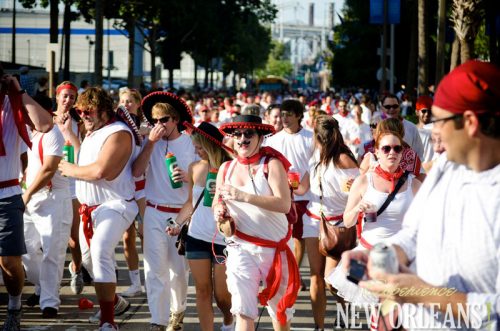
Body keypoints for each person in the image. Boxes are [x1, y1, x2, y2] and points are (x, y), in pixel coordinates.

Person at [346, 60, 500, 330]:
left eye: (439, 120)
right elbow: (413, 233)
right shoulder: (445, 167)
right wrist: (383, 256)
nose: (434, 131)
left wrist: (424, 294)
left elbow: (495, 314)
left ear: (470, 123)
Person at [58, 87, 138, 331]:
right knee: (91, 262)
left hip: (116, 204)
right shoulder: (92, 133)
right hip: (89, 209)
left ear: (104, 111)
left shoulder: (119, 132)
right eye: (80, 111)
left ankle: (108, 322)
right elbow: (86, 156)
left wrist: (70, 169)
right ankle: (115, 302)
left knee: (101, 250)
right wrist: (67, 133)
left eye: (88, 111)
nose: (83, 116)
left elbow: (101, 171)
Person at [215, 115, 300, 331]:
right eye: (237, 135)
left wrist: (242, 196)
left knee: (280, 312)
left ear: (260, 137)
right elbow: (217, 201)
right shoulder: (226, 169)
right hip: (241, 247)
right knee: (243, 309)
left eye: (248, 134)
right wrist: (219, 211)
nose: (242, 139)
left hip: (275, 248)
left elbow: (283, 204)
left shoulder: (271, 164)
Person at [326, 130, 421, 304]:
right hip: (367, 255)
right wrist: (357, 209)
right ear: (376, 152)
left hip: (400, 259)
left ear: (403, 152)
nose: (392, 153)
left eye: (397, 148)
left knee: (398, 313)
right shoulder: (363, 181)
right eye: (386, 149)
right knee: (378, 312)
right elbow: (347, 222)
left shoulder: (413, 184)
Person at [132, 91, 196, 331]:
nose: (159, 125)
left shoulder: (190, 142)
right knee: (154, 269)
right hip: (153, 211)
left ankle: (177, 312)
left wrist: (189, 176)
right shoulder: (150, 142)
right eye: (155, 121)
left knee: (178, 271)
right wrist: (150, 143)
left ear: (176, 120)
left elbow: (206, 175)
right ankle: (157, 320)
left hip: (181, 213)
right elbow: (137, 172)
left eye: (164, 120)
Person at [1, 67, 54, 330]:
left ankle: (14, 304)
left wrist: (17, 89)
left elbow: (45, 124)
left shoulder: (13, 108)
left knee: (10, 262)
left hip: (7, 194)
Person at [168, 121, 234, 331]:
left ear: (210, 145)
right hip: (196, 237)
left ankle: (228, 319)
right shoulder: (194, 168)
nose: (196, 150)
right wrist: (176, 223)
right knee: (202, 291)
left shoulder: (230, 168)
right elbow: (190, 202)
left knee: (222, 295)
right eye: (195, 146)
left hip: (223, 239)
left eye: (199, 146)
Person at [296, 116, 359, 331]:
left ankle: (345, 307)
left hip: (338, 224)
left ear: (317, 136)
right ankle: (319, 326)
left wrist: (352, 185)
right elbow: (303, 188)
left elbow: (358, 190)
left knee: (332, 280)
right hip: (313, 220)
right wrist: (290, 185)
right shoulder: (313, 156)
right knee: (316, 277)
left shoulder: (344, 159)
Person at [264, 99, 315, 292]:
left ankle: (296, 272)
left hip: (305, 197)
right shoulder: (273, 140)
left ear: (299, 116)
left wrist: (303, 185)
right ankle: (287, 274)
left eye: (288, 114)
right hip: (280, 196)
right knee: (282, 236)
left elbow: (315, 166)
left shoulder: (310, 138)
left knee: (299, 238)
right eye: (282, 114)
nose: (284, 118)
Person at [52, 81, 86, 295]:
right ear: (57, 97)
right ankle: (47, 284)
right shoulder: (45, 119)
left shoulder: (78, 122)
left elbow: (82, 151)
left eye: (72, 97)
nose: (68, 100)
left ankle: (77, 268)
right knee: (49, 237)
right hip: (50, 180)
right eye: (65, 96)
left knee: (73, 238)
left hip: (72, 182)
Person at [118, 87, 145, 298]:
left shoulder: (145, 126)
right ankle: (135, 282)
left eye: (129, 101)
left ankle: (152, 277)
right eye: (123, 101)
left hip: (144, 189)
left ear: (137, 104)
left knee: (147, 236)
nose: (126, 105)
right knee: (128, 237)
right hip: (126, 188)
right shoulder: (118, 127)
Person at [379, 94, 424, 160]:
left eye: (395, 106)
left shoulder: (411, 127)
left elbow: (419, 153)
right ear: (382, 108)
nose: (392, 109)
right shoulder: (376, 127)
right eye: (388, 107)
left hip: (406, 169)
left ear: (399, 107)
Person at [415, 95, 435, 163]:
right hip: (418, 171)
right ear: (417, 112)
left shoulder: (437, 129)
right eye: (423, 111)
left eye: (429, 111)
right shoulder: (412, 129)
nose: (427, 114)